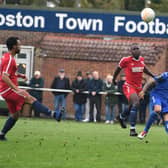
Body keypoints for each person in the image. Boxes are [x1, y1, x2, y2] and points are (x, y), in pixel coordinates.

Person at [0, 37, 62, 141]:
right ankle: (54, 114)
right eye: (19, 45)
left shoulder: (6, 57)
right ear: (14, 46)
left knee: (15, 115)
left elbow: (7, 73)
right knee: (30, 99)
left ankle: (1, 134)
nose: (20, 46)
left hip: (4, 91)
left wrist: (20, 75)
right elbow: (4, 77)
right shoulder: (9, 59)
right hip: (9, 90)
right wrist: (16, 89)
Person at [112, 43, 154, 136]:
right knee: (136, 103)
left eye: (137, 48)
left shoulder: (142, 60)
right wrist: (114, 79)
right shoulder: (126, 60)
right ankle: (132, 129)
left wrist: (154, 76)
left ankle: (121, 116)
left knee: (132, 106)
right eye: (134, 49)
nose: (136, 50)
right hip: (129, 86)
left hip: (139, 88)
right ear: (131, 52)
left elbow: (144, 69)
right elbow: (118, 69)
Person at [138, 73, 168, 139]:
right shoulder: (165, 76)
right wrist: (143, 91)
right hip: (157, 96)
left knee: (167, 123)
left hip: (166, 100)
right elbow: (151, 81)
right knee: (158, 109)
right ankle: (145, 131)